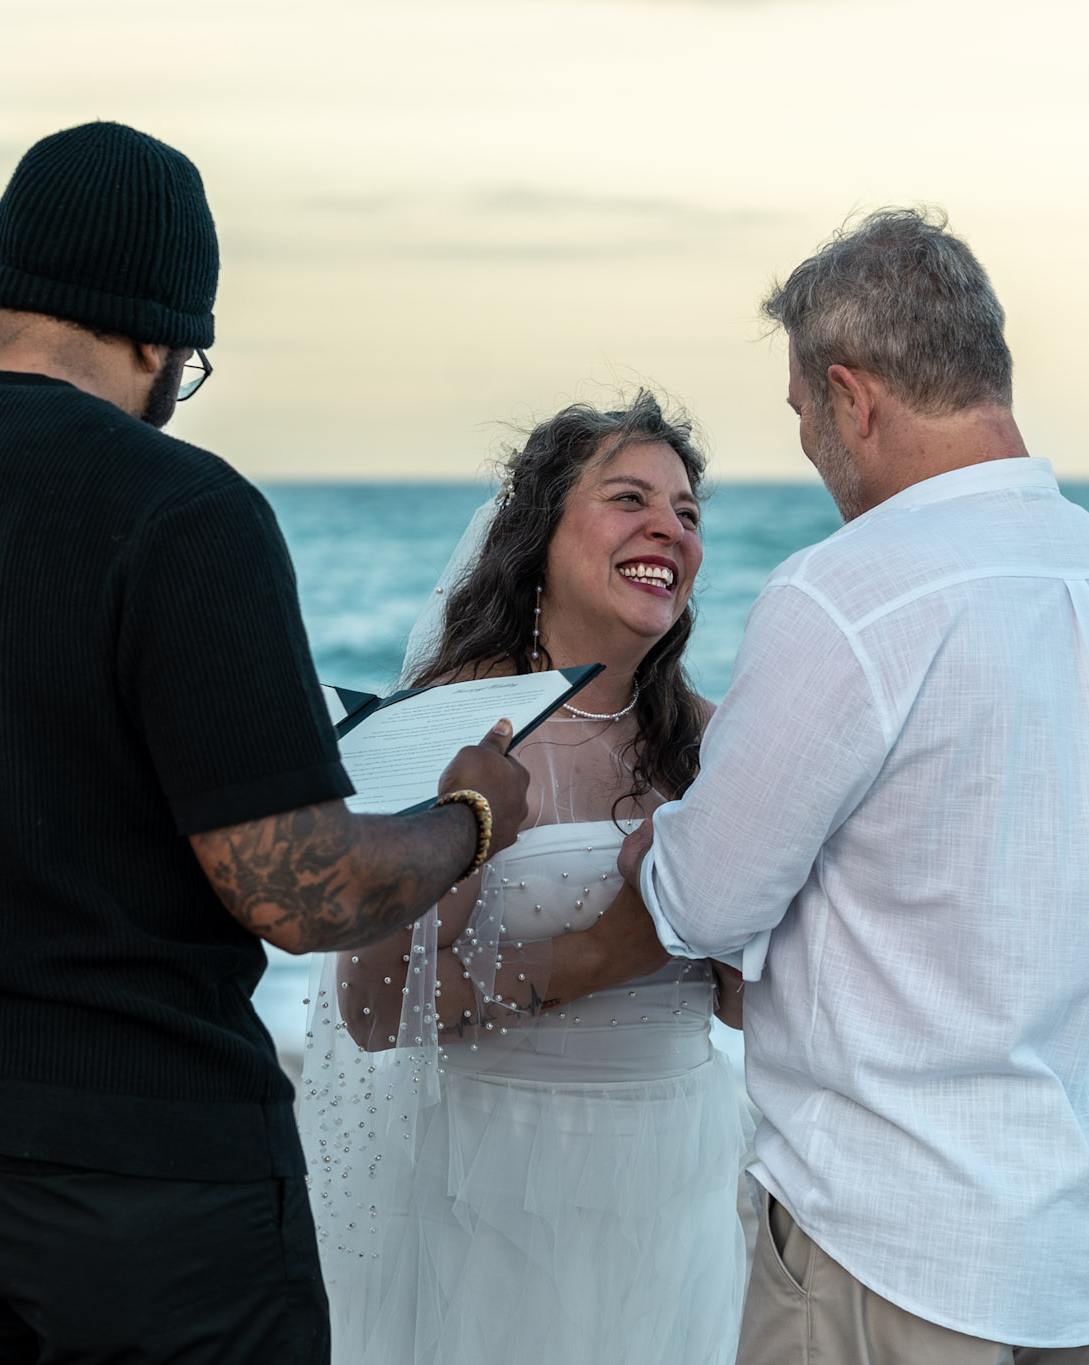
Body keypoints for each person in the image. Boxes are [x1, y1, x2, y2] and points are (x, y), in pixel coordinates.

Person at [0, 120, 528, 1365]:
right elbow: (295, 889)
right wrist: (468, 816)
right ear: (160, 333)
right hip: (143, 1156)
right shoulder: (183, 511)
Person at [621, 209, 1089, 1364]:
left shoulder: (848, 597)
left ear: (851, 396)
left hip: (891, 1243)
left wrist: (658, 835)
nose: (810, 447)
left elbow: (704, 903)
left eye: (800, 416)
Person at [305, 394, 751, 1365]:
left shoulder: (718, 743)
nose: (666, 529)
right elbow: (377, 1007)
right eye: (628, 497)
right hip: (495, 1181)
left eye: (686, 513)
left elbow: (746, 1009)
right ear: (539, 531)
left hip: (678, 1169)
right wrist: (607, 951)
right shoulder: (459, 728)